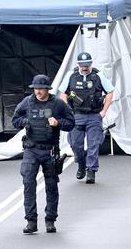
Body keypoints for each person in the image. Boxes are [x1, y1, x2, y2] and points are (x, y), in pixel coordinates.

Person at [13, 75, 75, 234]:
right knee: (28, 183)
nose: (38, 91)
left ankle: (50, 219)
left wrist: (58, 123)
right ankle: (31, 221)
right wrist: (25, 122)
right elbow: (15, 119)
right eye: (35, 89)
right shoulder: (27, 102)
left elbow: (71, 123)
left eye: (40, 89)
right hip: (31, 149)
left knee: (52, 186)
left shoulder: (58, 104)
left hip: (50, 150)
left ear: (47, 89)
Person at [58, 52, 114, 184]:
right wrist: (67, 111)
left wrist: (104, 111)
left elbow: (110, 92)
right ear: (78, 64)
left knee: (94, 144)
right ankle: (81, 164)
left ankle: (91, 170)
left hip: (94, 115)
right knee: (75, 144)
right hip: (76, 115)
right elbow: (63, 93)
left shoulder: (98, 75)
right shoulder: (71, 75)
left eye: (87, 64)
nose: (85, 67)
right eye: (82, 65)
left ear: (91, 63)